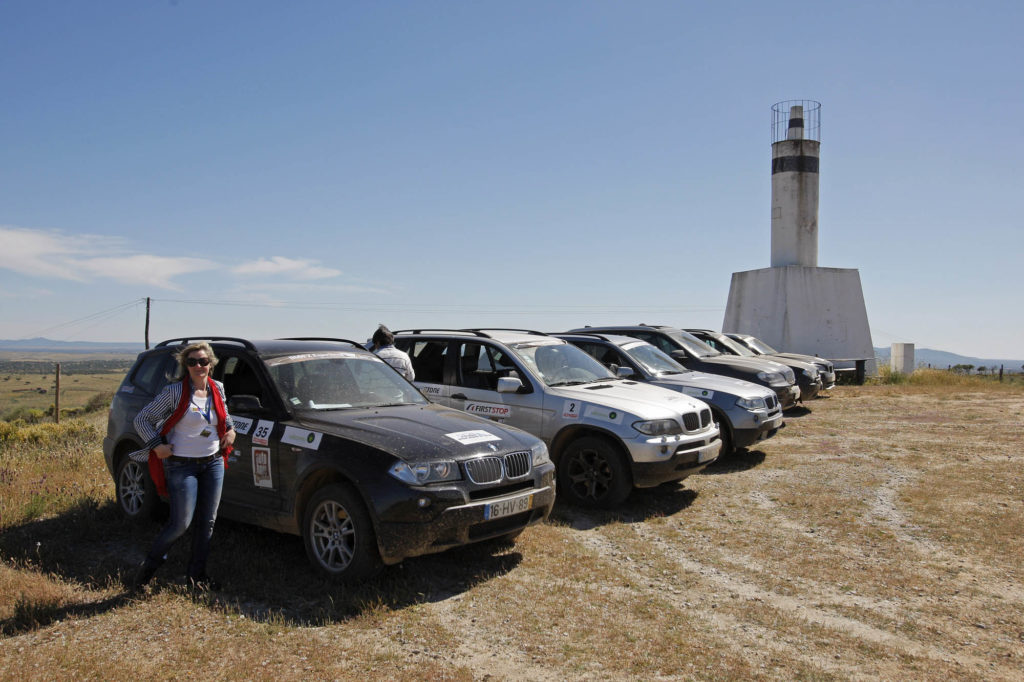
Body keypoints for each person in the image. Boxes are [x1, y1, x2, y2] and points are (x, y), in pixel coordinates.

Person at [131, 342, 235, 589]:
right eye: (192, 362)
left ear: (211, 363)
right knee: (180, 523)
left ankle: (196, 577)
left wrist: (231, 432)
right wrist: (157, 445)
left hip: (213, 463)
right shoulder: (174, 392)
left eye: (203, 361)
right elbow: (142, 419)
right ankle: (146, 573)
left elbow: (226, 417)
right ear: (185, 366)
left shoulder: (217, 388)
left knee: (207, 522)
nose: (199, 366)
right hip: (181, 465)